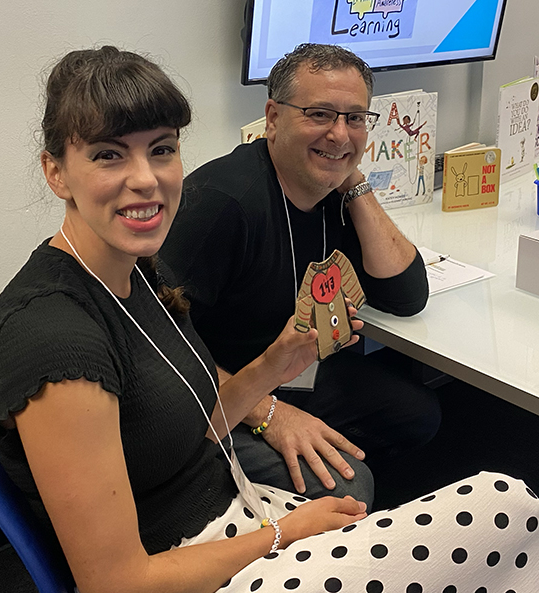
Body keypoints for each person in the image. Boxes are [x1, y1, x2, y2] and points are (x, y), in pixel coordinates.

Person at [0, 46, 539, 593]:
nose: (146, 178)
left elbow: (195, 430)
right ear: (56, 172)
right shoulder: (54, 340)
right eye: (109, 155)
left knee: (478, 501)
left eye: (162, 149)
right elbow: (115, 584)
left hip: (233, 515)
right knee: (509, 507)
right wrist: (285, 534)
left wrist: (271, 368)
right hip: (201, 566)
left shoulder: (137, 279)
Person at [160, 44, 440, 506]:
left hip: (297, 374)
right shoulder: (222, 203)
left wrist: (352, 179)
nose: (339, 133)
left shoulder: (331, 188)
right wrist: (271, 414)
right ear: (272, 118)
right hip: (218, 398)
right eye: (320, 114)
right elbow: (160, 346)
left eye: (355, 119)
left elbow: (406, 294)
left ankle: (298, 490)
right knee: (352, 487)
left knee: (416, 414)